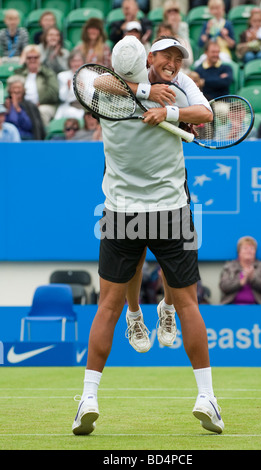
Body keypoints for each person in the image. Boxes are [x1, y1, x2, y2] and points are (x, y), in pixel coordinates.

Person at [72, 35, 224, 436]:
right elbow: (100, 80)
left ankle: (93, 393)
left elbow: (204, 113)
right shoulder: (122, 88)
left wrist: (168, 112)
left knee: (125, 305)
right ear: (148, 59)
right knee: (123, 305)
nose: (173, 63)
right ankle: (93, 394)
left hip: (126, 211)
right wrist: (148, 95)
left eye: (178, 57)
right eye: (166, 56)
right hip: (163, 211)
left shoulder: (108, 93)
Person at [14, 44, 60, 127]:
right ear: (25, 59)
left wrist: (39, 102)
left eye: (35, 57)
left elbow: (54, 93)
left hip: (44, 105)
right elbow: (12, 90)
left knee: (41, 111)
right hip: (23, 104)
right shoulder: (19, 73)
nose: (32, 60)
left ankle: (41, 139)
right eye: (29, 58)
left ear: (40, 58)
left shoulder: (48, 73)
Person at [219, 235, 261, 305]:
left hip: (258, 307)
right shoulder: (229, 267)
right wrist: (240, 282)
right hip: (231, 307)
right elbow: (224, 287)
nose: (249, 251)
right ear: (239, 251)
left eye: (252, 248)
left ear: (255, 252)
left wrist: (252, 278)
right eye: (245, 248)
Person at [5, 75, 45, 140]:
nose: (16, 90)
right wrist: (7, 111)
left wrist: (17, 109)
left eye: (19, 87)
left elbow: (30, 126)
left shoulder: (30, 106)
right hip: (9, 140)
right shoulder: (5, 105)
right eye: (13, 88)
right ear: (9, 90)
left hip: (27, 139)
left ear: (23, 89)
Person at [162, 0, 194, 70]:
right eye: (169, 11)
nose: (173, 14)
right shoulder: (161, 29)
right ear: (165, 14)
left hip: (182, 68)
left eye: (175, 11)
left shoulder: (183, 27)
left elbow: (189, 61)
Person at [54, 50, 86, 120]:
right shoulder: (62, 76)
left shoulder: (91, 75)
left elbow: (91, 99)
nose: (76, 63)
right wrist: (67, 88)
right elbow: (62, 98)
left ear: (83, 62)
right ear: (69, 63)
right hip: (68, 107)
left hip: (86, 109)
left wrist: (83, 90)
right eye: (73, 61)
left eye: (79, 60)